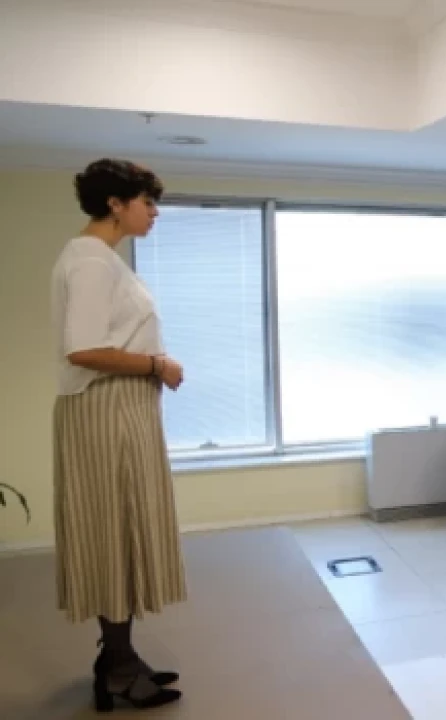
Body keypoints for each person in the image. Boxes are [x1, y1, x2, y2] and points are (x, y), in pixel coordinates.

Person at [51, 159, 185, 711]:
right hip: (107, 410)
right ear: (115, 203)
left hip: (120, 409)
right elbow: (83, 350)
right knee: (113, 532)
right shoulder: (90, 260)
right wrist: (158, 365)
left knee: (122, 532)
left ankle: (119, 657)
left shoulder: (100, 259)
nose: (154, 212)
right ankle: (119, 669)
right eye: (146, 202)